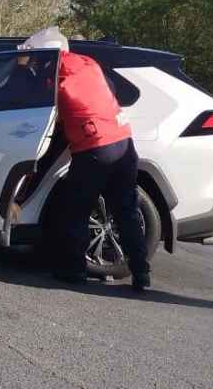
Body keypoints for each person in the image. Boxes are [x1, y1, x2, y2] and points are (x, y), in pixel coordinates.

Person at [20, 27, 150, 291]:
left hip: (94, 148)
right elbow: (108, 91)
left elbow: (49, 121)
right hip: (123, 142)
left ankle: (74, 271)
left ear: (48, 56)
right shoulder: (89, 63)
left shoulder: (54, 78)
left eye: (37, 58)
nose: (34, 63)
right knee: (126, 210)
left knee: (75, 210)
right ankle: (141, 272)